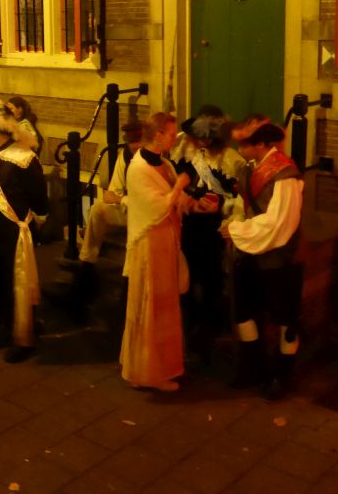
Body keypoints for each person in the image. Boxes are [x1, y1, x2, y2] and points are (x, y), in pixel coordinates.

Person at [222, 121, 304, 400]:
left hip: (280, 258)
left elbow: (279, 223)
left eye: (243, 144)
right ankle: (252, 367)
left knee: (285, 320)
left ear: (260, 145)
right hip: (251, 251)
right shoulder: (248, 169)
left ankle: (282, 375)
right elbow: (244, 207)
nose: (238, 148)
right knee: (244, 312)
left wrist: (235, 231)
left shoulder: (284, 174)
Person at [119, 112, 197, 392]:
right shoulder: (138, 168)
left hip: (165, 241)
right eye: (171, 133)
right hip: (150, 244)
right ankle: (151, 372)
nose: (174, 139)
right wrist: (179, 186)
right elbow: (157, 206)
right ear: (159, 135)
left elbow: (173, 199)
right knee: (152, 306)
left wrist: (192, 203)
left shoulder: (163, 163)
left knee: (161, 305)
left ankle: (148, 368)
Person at [0, 100, 49, 363]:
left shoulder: (24, 158)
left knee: (18, 281)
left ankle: (23, 335)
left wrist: (36, 222)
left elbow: (39, 198)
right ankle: (3, 325)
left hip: (15, 229)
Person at [171, 106, 245, 364]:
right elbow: (174, 182)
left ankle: (209, 330)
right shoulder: (182, 151)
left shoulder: (232, 160)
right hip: (187, 225)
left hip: (214, 229)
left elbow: (240, 200)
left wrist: (222, 208)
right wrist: (185, 200)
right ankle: (187, 329)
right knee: (185, 278)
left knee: (211, 279)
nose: (202, 140)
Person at [63, 120, 145, 311]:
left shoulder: (154, 160)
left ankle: (128, 288)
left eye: (139, 140)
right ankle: (87, 263)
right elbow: (109, 194)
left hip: (145, 214)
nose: (136, 145)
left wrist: (125, 199)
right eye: (132, 141)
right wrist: (123, 199)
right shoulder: (124, 157)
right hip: (127, 208)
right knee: (97, 209)